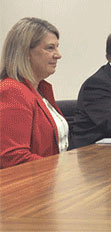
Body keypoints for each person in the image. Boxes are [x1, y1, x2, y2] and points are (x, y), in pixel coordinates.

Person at [0, 18, 68, 168]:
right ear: (25, 52)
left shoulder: (41, 89)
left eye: (57, 47)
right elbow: (13, 157)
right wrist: (63, 170)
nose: (58, 55)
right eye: (50, 48)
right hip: (31, 187)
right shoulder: (12, 90)